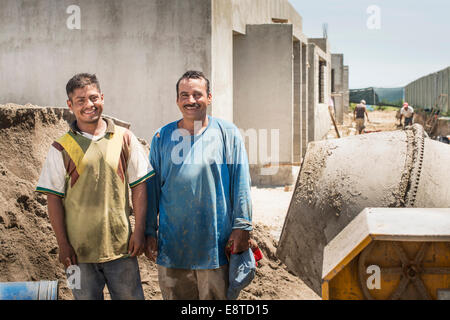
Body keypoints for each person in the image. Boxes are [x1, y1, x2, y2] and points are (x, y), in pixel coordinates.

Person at [35, 73, 154, 300]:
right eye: (80, 100)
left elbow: (139, 186)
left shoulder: (126, 138)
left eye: (93, 98)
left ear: (102, 98)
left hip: (122, 249)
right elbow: (53, 199)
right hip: (77, 255)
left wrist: (138, 231)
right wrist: (63, 245)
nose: (89, 105)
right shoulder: (60, 147)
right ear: (70, 105)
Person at [144, 70, 252, 300]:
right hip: (173, 249)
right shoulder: (161, 137)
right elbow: (151, 190)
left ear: (209, 97)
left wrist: (242, 225)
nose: (191, 100)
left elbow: (241, 182)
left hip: (214, 248)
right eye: (184, 95)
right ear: (177, 100)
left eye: (197, 94)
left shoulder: (227, 134)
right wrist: (148, 231)